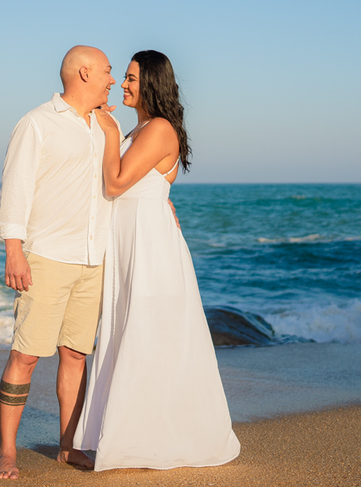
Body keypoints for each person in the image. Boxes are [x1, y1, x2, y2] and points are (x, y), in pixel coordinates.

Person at [73, 50, 240, 471]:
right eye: (124, 77)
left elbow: (116, 182)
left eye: (130, 78)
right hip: (132, 243)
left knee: (149, 337)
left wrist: (109, 129)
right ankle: (126, 435)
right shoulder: (143, 127)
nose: (123, 85)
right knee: (129, 336)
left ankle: (151, 439)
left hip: (149, 248)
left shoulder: (160, 128)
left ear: (151, 83)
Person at [0, 45, 118, 480]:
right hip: (45, 257)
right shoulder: (36, 123)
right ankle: (7, 450)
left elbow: (120, 180)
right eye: (106, 71)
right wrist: (14, 249)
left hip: (94, 258)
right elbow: (16, 188)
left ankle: (68, 447)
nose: (112, 80)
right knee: (26, 355)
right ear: (83, 73)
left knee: (76, 355)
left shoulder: (108, 125)